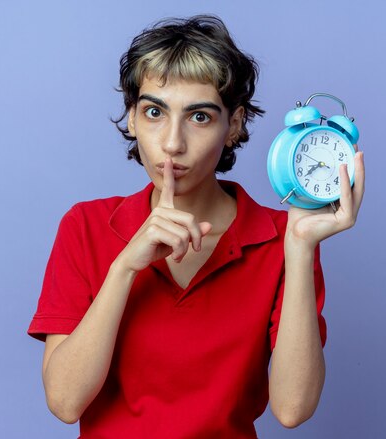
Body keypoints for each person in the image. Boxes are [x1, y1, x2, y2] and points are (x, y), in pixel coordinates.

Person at [28, 14, 365, 438]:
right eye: (154, 112)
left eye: (199, 117)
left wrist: (298, 248)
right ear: (131, 118)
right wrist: (124, 268)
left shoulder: (281, 240)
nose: (172, 143)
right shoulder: (86, 225)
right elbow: (64, 401)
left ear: (234, 125)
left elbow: (293, 409)